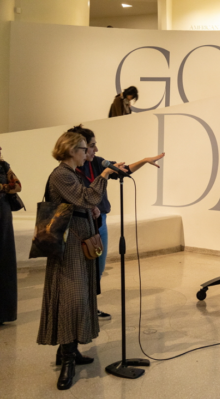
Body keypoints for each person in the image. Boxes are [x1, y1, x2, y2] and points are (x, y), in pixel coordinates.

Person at [37, 131, 126, 390]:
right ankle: (66, 361)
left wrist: (90, 208)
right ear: (71, 150)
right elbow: (86, 196)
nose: (88, 153)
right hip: (70, 245)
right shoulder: (61, 175)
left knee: (80, 296)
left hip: (79, 243)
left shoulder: (71, 174)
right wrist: (105, 175)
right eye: (84, 148)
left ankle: (71, 350)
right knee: (71, 298)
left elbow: (81, 201)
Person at [69, 125, 165, 321]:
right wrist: (88, 208)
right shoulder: (69, 170)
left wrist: (145, 161)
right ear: (81, 147)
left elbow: (124, 169)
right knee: (82, 269)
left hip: (99, 222)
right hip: (80, 224)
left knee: (98, 268)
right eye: (93, 145)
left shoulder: (97, 163)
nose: (96, 150)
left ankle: (91, 306)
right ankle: (79, 309)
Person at [0, 145, 22, 326]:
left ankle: (4, 313)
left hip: (3, 218)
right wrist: (7, 187)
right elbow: (12, 187)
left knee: (5, 262)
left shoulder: (4, 166)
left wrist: (5, 166)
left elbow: (18, 186)